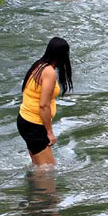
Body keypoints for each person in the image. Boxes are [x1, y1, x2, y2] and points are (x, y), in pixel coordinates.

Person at [16, 37, 73, 167]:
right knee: (48, 169)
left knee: (39, 167)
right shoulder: (49, 72)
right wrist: (49, 132)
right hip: (34, 125)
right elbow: (43, 105)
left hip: (25, 120)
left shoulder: (38, 65)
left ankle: (32, 187)